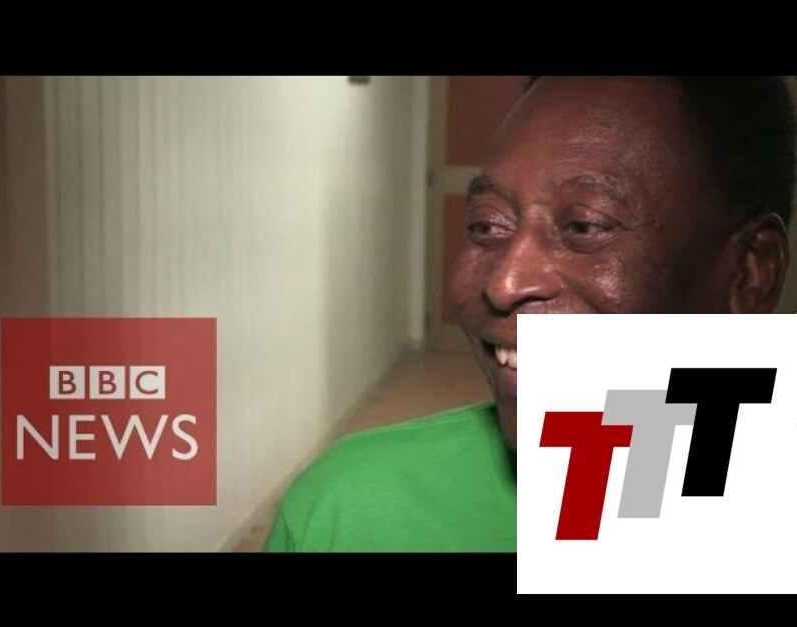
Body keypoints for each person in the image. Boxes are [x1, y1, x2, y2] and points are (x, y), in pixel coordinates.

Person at [263, 76, 795, 552]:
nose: (505, 283)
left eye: (584, 225)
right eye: (487, 224)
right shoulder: (350, 513)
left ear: (750, 273)